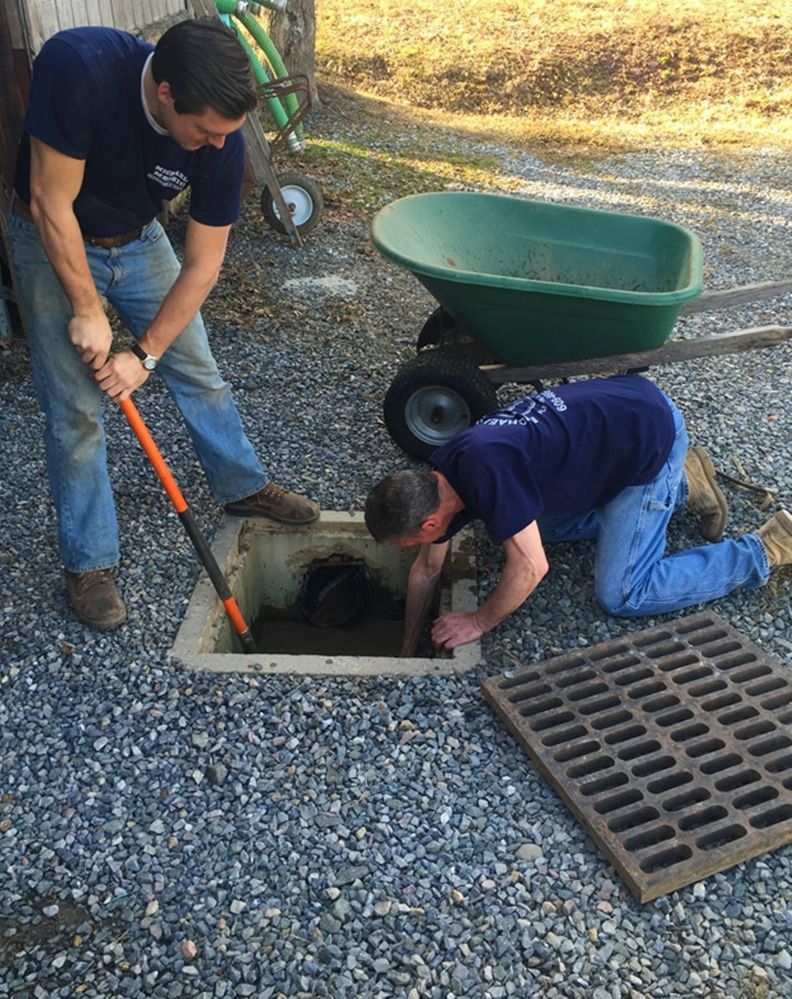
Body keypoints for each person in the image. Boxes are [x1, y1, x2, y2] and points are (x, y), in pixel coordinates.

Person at [9, 19, 319, 631]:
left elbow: (202, 267)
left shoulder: (221, 141)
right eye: (204, 131)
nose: (214, 145)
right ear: (166, 92)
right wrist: (87, 308)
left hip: (141, 239)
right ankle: (89, 562)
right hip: (51, 236)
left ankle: (240, 484)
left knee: (196, 366)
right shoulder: (81, 69)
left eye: (223, 134)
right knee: (75, 408)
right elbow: (50, 202)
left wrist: (143, 355)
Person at [364, 375, 792, 655]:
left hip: (649, 440)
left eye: (409, 543)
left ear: (429, 524)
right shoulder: (441, 476)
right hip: (623, 412)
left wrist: (479, 621)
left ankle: (764, 549)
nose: (415, 550)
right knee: (519, 530)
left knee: (623, 593)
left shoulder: (486, 474)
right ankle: (685, 485)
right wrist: (406, 649)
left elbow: (532, 568)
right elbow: (427, 570)